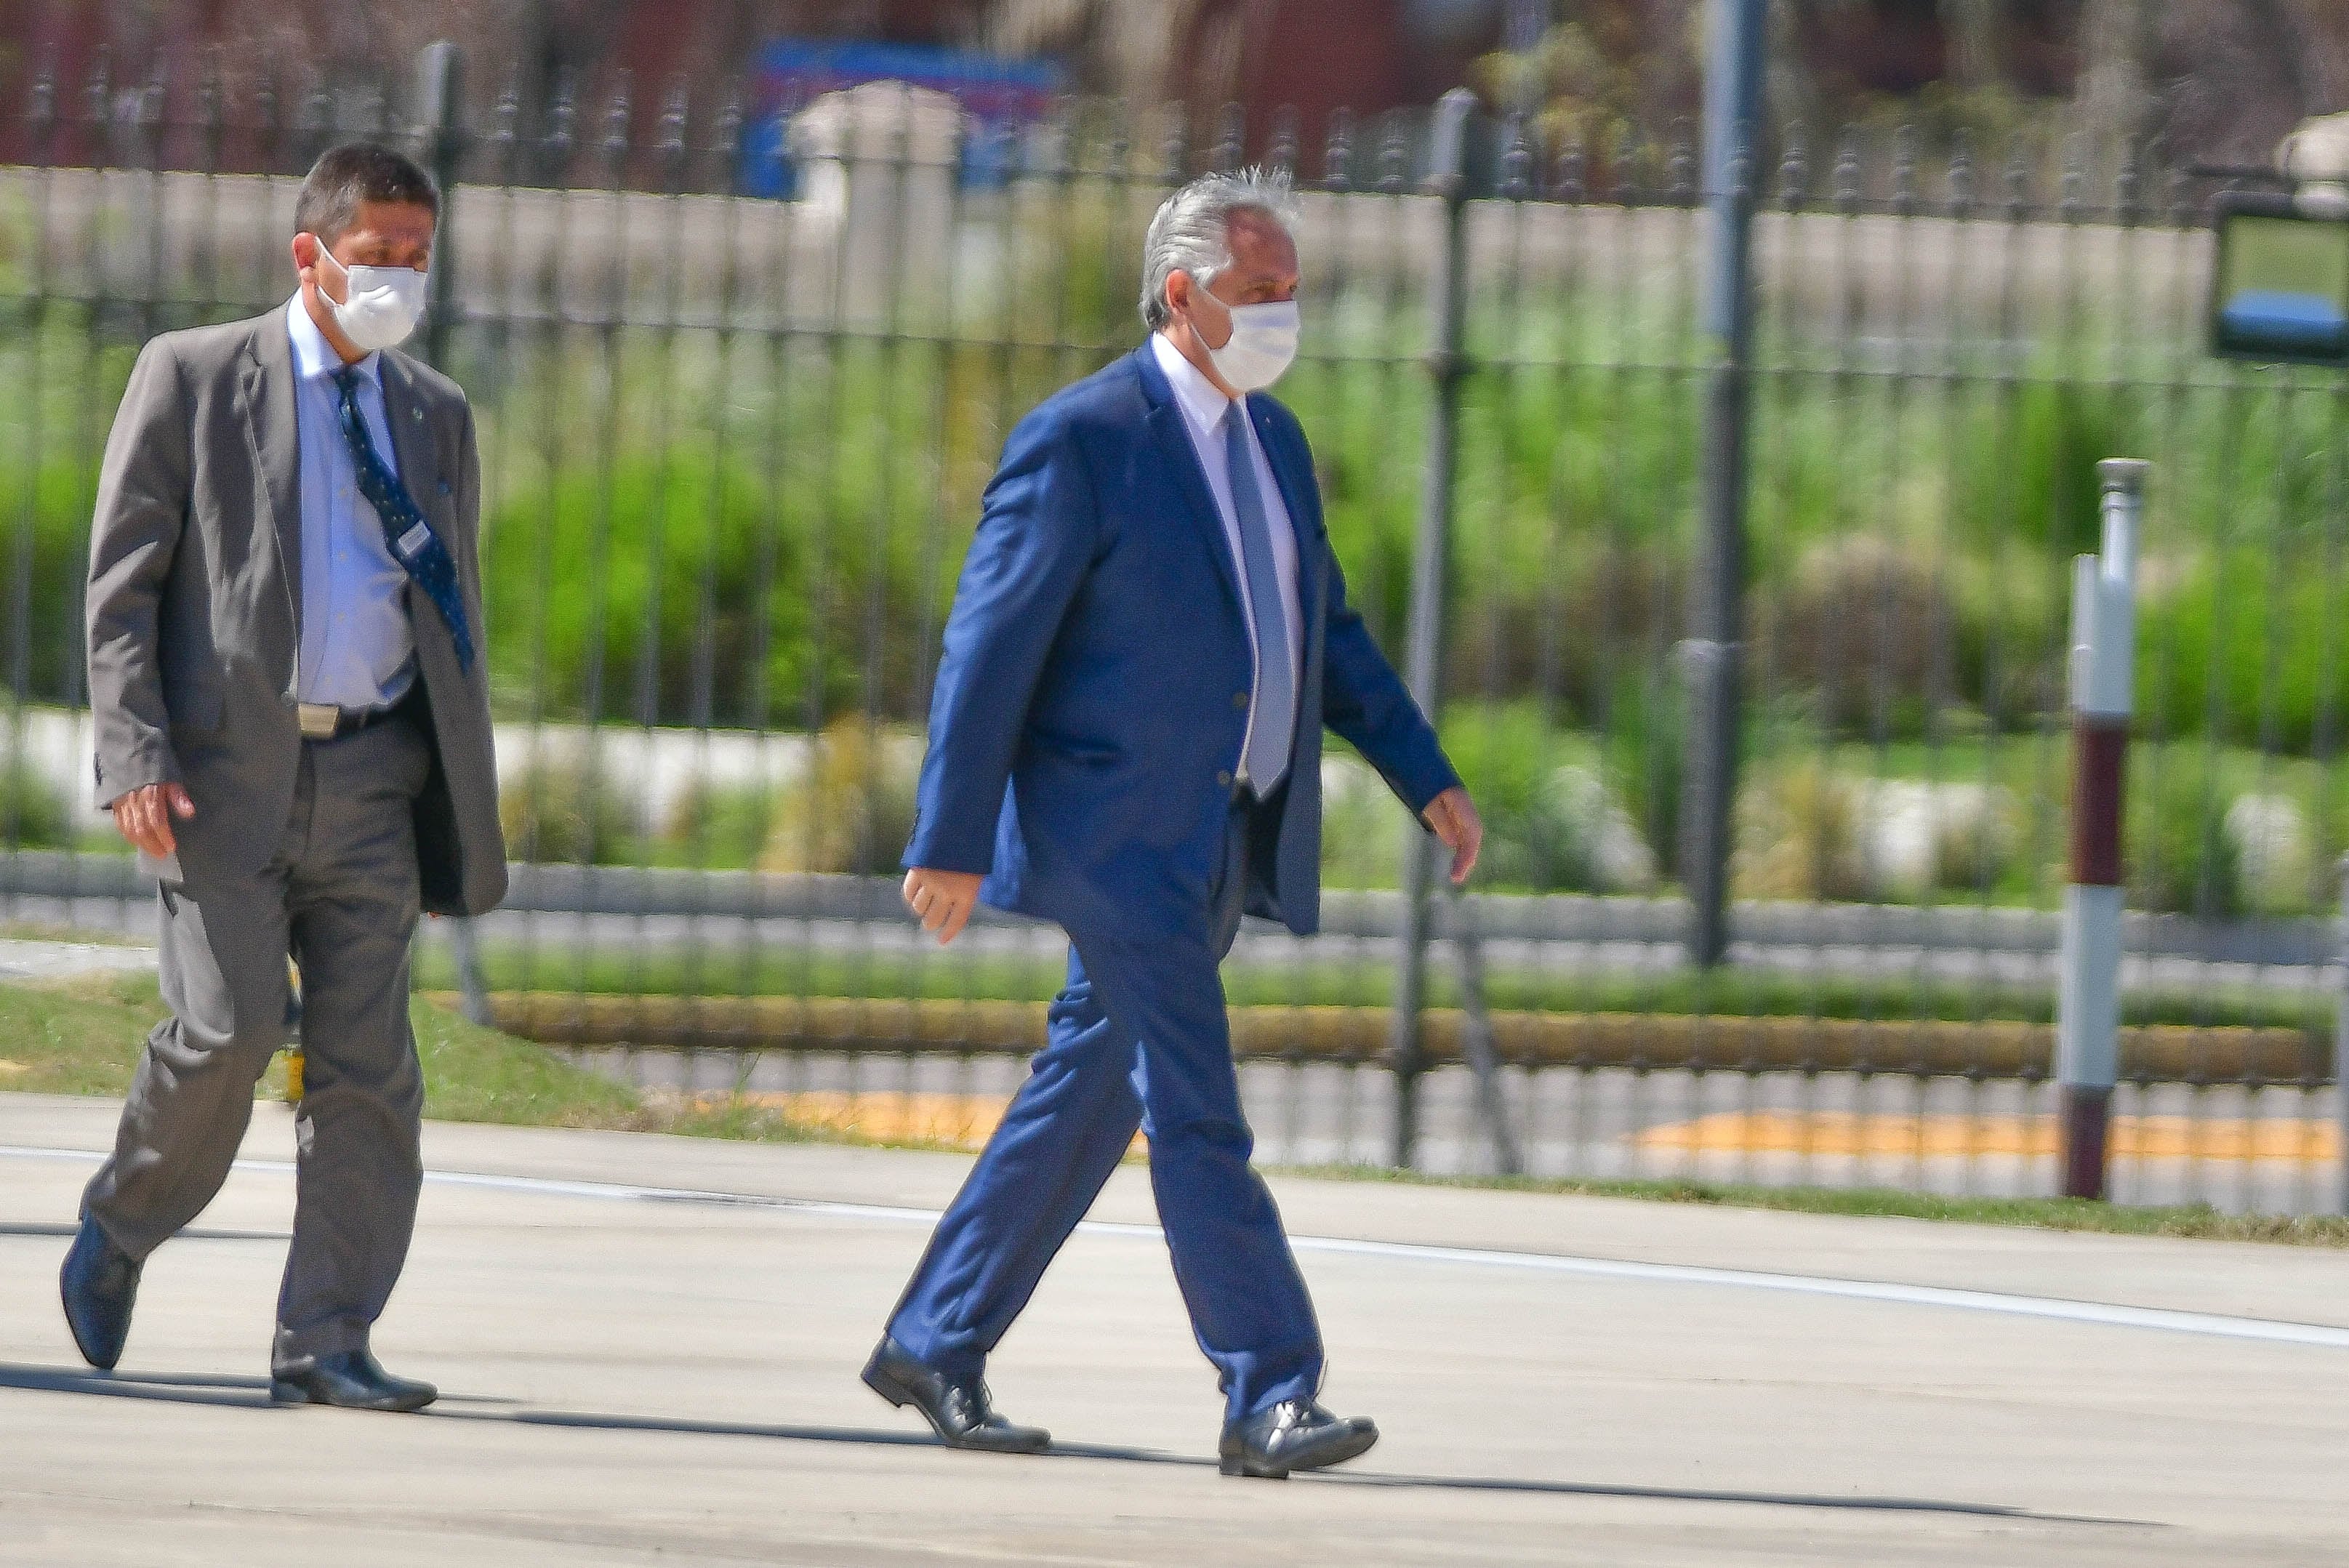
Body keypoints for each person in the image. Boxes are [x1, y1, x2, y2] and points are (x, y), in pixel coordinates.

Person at [866, 169, 1482, 1480]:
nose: (1282, 314)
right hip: (1114, 835)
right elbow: (989, 647)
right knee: (1197, 1108)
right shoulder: (1083, 438)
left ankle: (935, 1335)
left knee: (1087, 1097)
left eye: (1293, 291)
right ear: (1183, 293)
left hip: (1221, 834)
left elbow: (1325, 632)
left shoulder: (1274, 441)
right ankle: (1270, 1389)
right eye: (1260, 291)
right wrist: (951, 834)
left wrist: (1418, 767)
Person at [62, 142, 505, 1412]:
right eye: (378, 259)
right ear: (309, 255)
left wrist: (443, 807)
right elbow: (120, 586)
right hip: (220, 777)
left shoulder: (436, 413)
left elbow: (452, 621)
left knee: (371, 1066)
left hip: (374, 775)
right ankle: (123, 1219)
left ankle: (326, 1335)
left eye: (419, 260)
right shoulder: (194, 378)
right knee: (234, 1025)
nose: (401, 282)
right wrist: (133, 748)